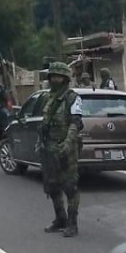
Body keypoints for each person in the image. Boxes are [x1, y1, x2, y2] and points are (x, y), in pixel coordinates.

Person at [38, 61, 83, 237]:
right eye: (52, 76)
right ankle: (60, 219)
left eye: (58, 76)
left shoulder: (72, 98)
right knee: (52, 185)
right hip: (48, 148)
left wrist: (67, 143)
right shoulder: (47, 98)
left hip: (66, 149)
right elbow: (43, 123)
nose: (55, 79)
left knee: (70, 186)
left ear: (65, 79)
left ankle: (72, 224)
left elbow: (75, 123)